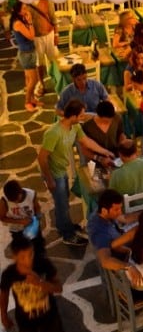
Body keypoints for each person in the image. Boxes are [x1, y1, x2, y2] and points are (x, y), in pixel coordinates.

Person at [38, 98, 114, 246]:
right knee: (62, 204)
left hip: (62, 169)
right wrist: (49, 179)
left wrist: (105, 152)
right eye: (81, 115)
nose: (83, 117)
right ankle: (67, 235)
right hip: (54, 173)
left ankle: (64, 225)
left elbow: (87, 142)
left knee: (64, 200)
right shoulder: (53, 133)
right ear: (73, 116)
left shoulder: (75, 127)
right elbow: (42, 158)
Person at [9, 0, 40, 111]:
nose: (26, 10)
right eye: (24, 8)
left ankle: (32, 99)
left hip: (28, 52)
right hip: (26, 54)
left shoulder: (21, 19)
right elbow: (31, 36)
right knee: (34, 80)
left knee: (28, 78)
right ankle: (27, 102)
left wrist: (28, 20)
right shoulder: (18, 23)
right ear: (18, 11)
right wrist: (30, 21)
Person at [29, 0, 58, 96]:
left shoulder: (47, 0)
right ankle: (41, 84)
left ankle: (57, 80)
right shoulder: (27, 2)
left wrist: (56, 35)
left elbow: (53, 19)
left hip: (49, 35)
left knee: (54, 60)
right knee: (39, 62)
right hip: (36, 37)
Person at [0, 179, 41, 247]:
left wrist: (37, 216)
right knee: (22, 248)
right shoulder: (4, 201)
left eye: (17, 199)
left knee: (38, 245)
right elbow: (2, 218)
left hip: (32, 226)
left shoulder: (31, 194)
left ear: (20, 192)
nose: (15, 202)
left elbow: (37, 207)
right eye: (12, 201)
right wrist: (20, 221)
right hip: (16, 230)